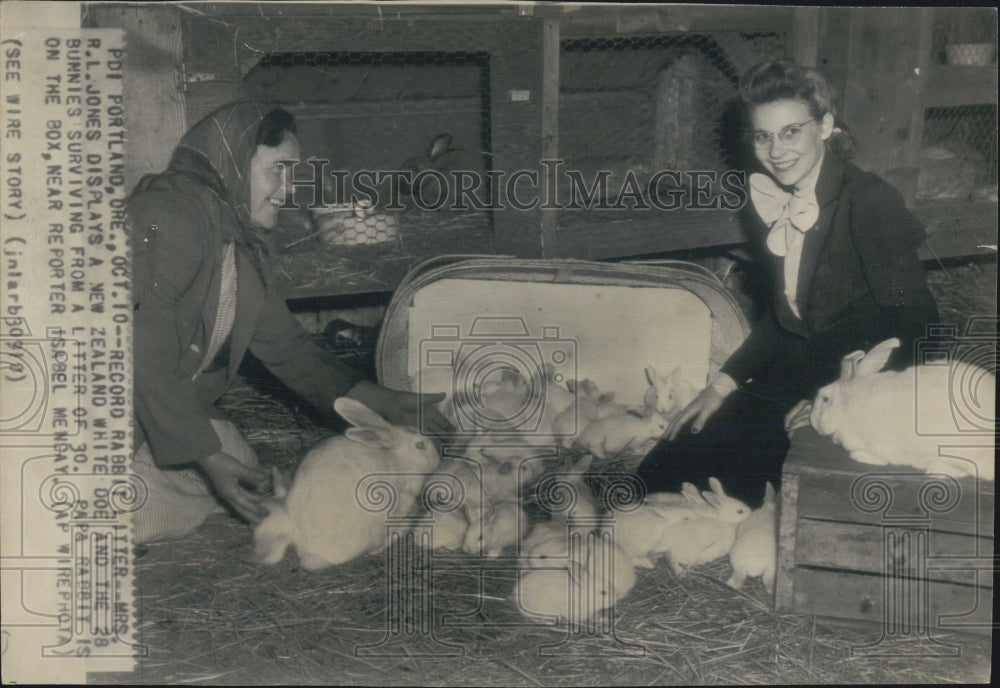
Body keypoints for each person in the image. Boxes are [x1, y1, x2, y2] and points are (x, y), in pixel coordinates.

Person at [128, 101, 452, 543]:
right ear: (235, 163)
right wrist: (211, 461)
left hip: (156, 399)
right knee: (211, 470)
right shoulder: (168, 216)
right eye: (278, 169)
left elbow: (288, 349)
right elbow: (139, 351)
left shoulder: (241, 241)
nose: (289, 188)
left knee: (237, 458)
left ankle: (145, 482)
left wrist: (385, 401)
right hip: (104, 402)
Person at [635, 59, 939, 507]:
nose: (776, 151)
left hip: (857, 383)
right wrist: (720, 386)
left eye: (791, 132)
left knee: (735, 493)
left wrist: (846, 399)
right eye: (763, 136)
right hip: (797, 369)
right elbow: (783, 321)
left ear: (826, 126)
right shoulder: (778, 199)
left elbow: (918, 324)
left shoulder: (868, 200)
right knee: (655, 475)